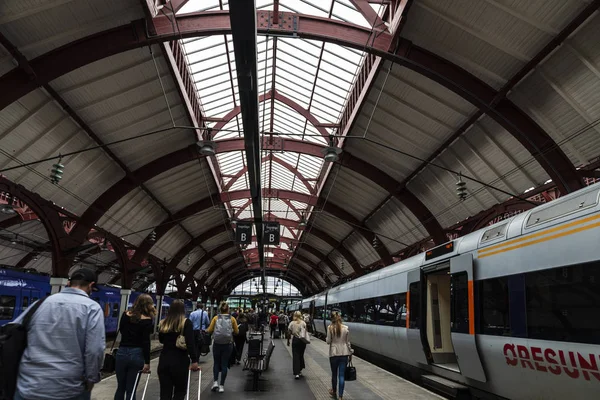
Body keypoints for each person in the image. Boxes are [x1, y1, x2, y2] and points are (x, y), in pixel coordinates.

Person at [13, 268, 105, 400]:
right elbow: (94, 350)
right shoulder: (92, 308)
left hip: (29, 385)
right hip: (67, 387)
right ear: (91, 285)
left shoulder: (39, 304)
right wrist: (91, 378)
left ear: (68, 283)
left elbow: (13, 331)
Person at [114, 293, 156, 400]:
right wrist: (147, 362)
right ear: (148, 305)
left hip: (122, 352)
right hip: (137, 354)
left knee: (120, 388)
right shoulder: (147, 320)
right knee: (131, 389)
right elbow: (146, 342)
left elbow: (122, 331)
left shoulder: (125, 314)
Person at [158, 300, 199, 400]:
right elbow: (190, 343)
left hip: (164, 360)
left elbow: (161, 340)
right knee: (180, 391)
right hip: (180, 361)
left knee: (165, 392)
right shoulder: (186, 323)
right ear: (183, 310)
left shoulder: (163, 323)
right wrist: (194, 360)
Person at [206, 301, 239, 392]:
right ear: (228, 309)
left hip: (217, 344)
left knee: (216, 363)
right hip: (228, 344)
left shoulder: (215, 318)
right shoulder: (232, 319)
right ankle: (221, 386)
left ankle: (215, 382)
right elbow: (237, 332)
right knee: (224, 364)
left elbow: (209, 330)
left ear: (220, 309)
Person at [326, 312, 353, 400]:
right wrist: (350, 353)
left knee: (334, 374)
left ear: (332, 319)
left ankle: (334, 391)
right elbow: (348, 342)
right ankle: (341, 396)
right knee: (341, 375)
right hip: (344, 353)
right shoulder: (346, 328)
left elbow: (328, 341)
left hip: (333, 353)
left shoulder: (330, 328)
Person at [287, 311, 308, 379]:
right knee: (301, 355)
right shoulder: (303, 323)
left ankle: (297, 373)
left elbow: (289, 332)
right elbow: (306, 331)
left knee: (296, 356)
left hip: (295, 340)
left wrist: (288, 340)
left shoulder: (292, 323)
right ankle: (300, 369)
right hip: (302, 341)